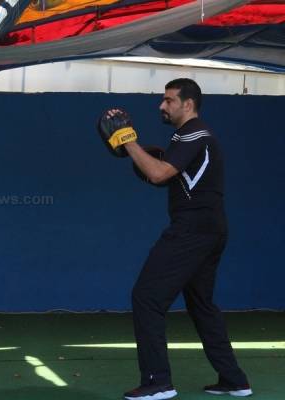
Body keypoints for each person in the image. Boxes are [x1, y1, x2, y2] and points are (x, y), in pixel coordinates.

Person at [99, 78, 252, 400]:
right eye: (163, 99)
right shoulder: (188, 137)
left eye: (169, 100)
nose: (162, 105)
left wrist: (128, 141)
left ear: (188, 104)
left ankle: (158, 382)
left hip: (192, 229)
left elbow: (158, 173)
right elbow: (161, 175)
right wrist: (135, 152)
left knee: (147, 297)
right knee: (202, 305)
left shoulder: (193, 133)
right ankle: (234, 380)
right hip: (209, 228)